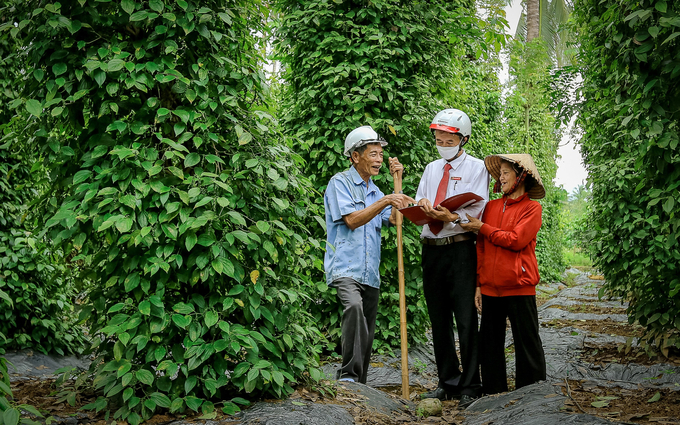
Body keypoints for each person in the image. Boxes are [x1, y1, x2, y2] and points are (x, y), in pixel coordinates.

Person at [324, 125, 415, 384]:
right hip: (345, 267)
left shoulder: (376, 191)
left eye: (380, 155)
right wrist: (387, 200)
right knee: (353, 308)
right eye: (373, 154)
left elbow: (395, 221)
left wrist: (398, 186)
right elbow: (352, 220)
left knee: (367, 328)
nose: (379, 160)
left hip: (369, 272)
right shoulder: (339, 183)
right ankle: (348, 377)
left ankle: (360, 384)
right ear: (355, 156)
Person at [416, 109, 489, 408]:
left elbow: (478, 210)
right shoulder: (432, 168)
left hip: (461, 248)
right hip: (432, 248)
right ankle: (447, 380)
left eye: (448, 139)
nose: (442, 143)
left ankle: (471, 384)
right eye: (438, 138)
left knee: (466, 316)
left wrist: (453, 216)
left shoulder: (477, 168)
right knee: (438, 317)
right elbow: (422, 200)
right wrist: (421, 206)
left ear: (463, 139)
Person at [459, 154, 547, 395]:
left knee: (527, 343)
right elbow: (482, 246)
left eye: (507, 172)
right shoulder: (492, 206)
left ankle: (531, 394)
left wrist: (482, 227)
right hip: (490, 288)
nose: (501, 176)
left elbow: (516, 240)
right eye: (501, 173)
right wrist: (479, 283)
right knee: (489, 345)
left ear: (521, 177)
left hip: (520, 287)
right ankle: (493, 393)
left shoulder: (532, 208)